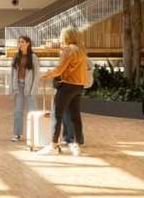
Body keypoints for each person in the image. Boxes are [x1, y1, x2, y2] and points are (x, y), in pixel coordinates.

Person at [39, 26, 90, 156]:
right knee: (75, 117)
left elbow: (59, 69)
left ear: (67, 37)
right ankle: (77, 145)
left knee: (57, 115)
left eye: (62, 36)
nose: (61, 38)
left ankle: (53, 145)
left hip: (67, 86)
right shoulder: (81, 50)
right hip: (79, 87)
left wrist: (46, 74)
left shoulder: (68, 50)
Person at [8, 35, 40, 142]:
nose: (20, 44)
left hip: (29, 87)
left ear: (28, 43)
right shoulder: (16, 56)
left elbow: (36, 75)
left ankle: (35, 134)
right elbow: (12, 73)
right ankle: (17, 134)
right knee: (18, 111)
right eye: (19, 42)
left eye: (22, 42)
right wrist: (12, 88)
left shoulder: (34, 57)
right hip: (19, 86)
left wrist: (33, 89)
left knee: (32, 111)